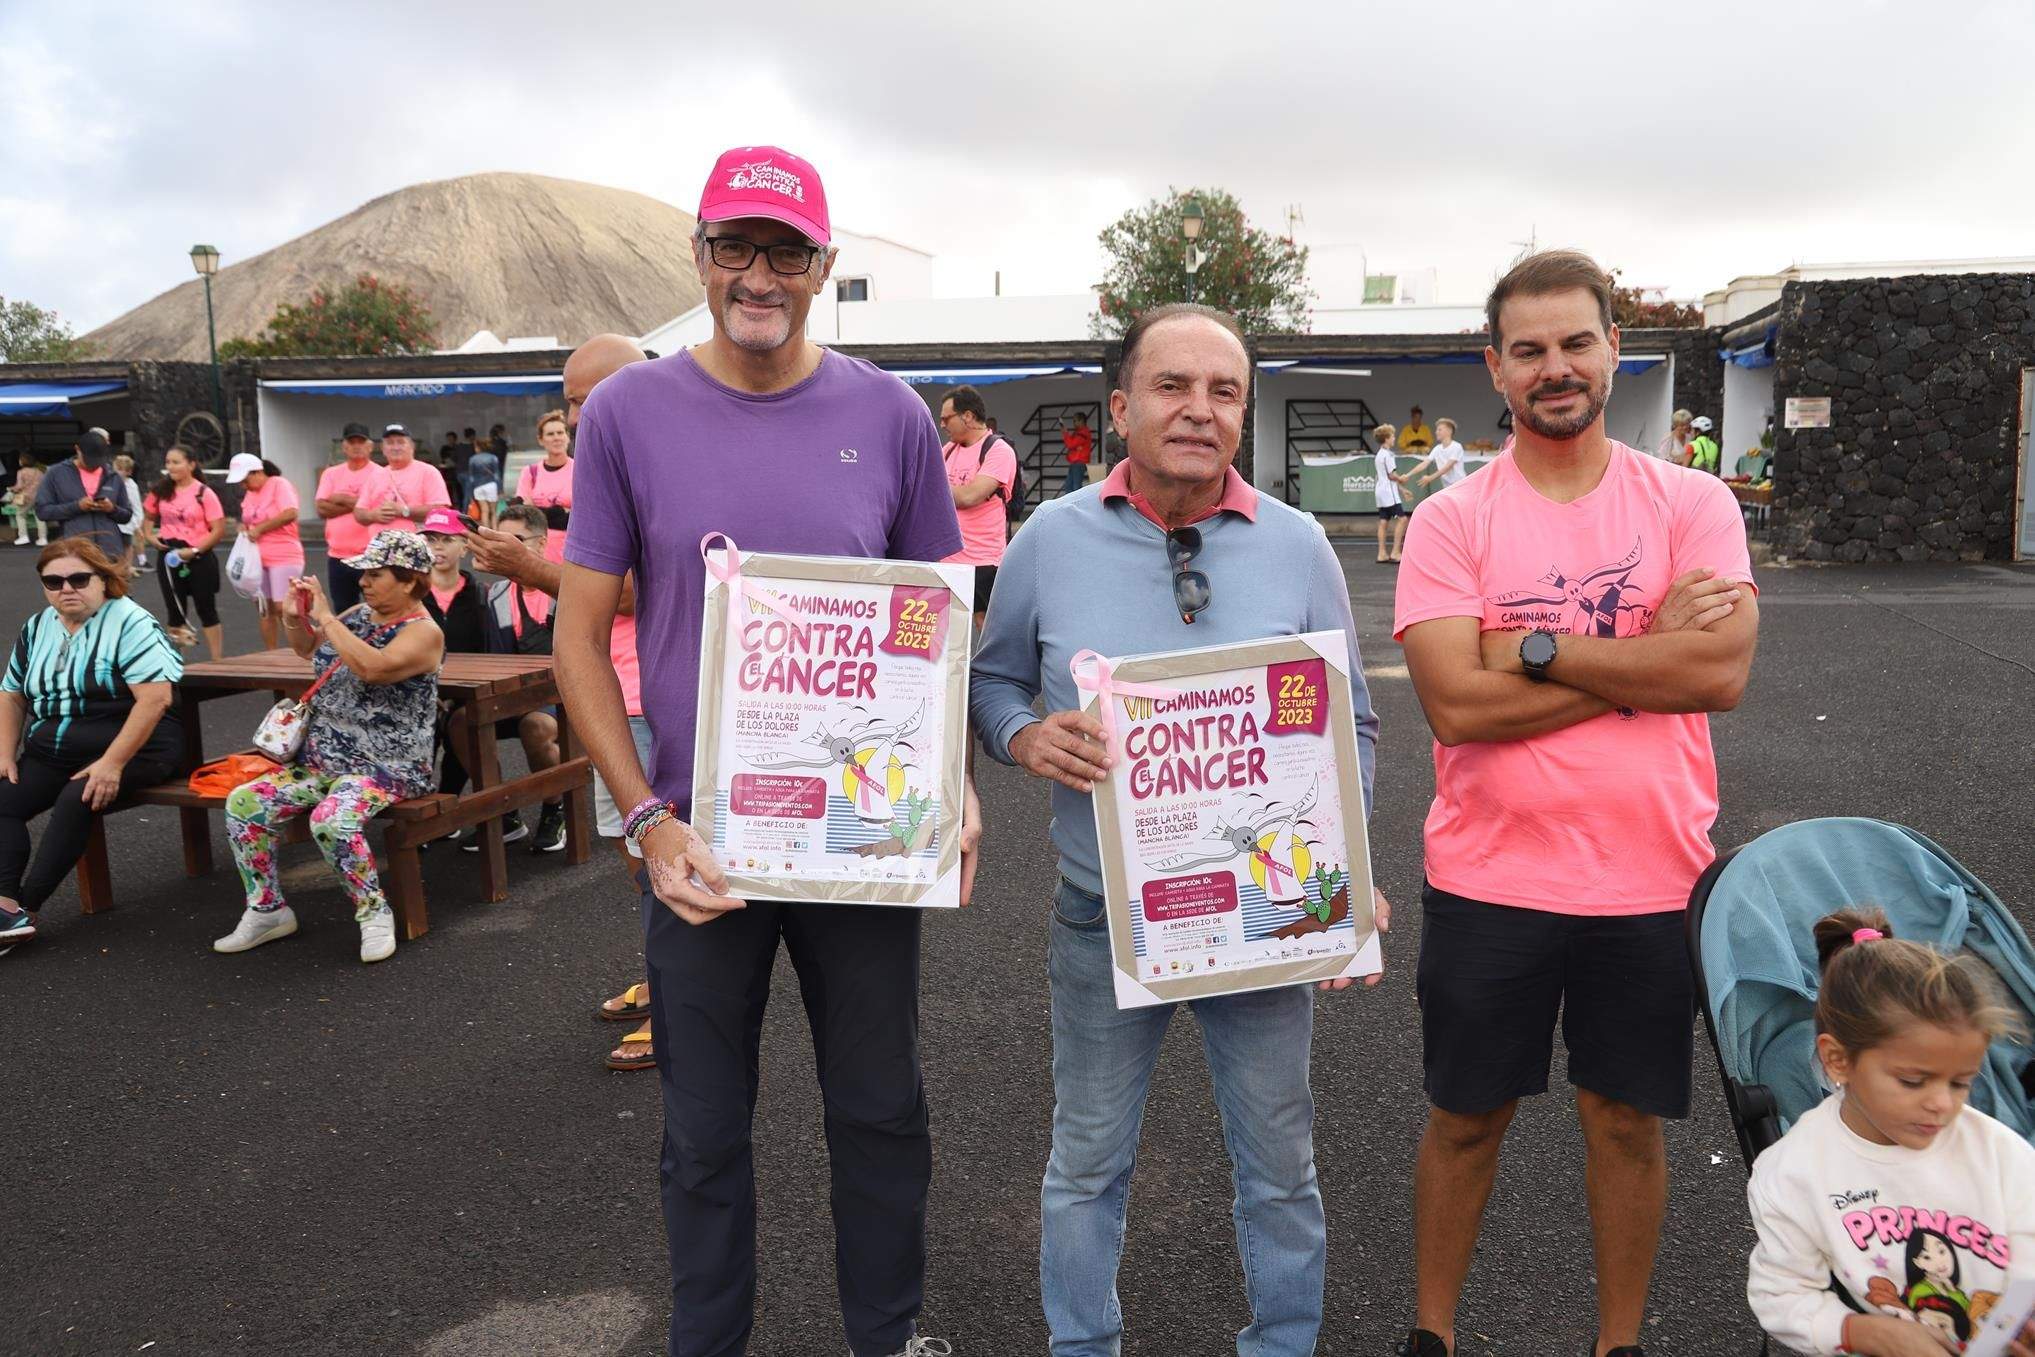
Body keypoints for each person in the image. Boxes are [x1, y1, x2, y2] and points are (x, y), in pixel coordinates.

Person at [553, 144, 970, 1357]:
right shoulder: (628, 410)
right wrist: (644, 817)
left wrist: (950, 787)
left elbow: (937, 620)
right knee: (703, 1131)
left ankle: (885, 1335)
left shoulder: (889, 415)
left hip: (856, 841)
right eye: (734, 245)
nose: (759, 272)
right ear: (698, 256)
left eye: (786, 250)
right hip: (701, 848)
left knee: (882, 1110)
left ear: (822, 266)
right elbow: (579, 641)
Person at [970, 301, 1384, 1357]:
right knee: (1087, 1161)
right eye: (1172, 386)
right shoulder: (1047, 541)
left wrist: (1351, 860)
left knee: (1280, 1166)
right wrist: (1024, 737)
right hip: (1100, 913)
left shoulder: (1297, 546)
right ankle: (1083, 1347)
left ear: (1244, 411)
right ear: (1119, 408)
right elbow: (992, 682)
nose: (1199, 410)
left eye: (1224, 390)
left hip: (1261, 922)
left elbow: (1353, 722)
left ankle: (1282, 1345)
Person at [1392, 249, 1761, 1357]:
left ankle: (1618, 1344)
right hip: (1487, 875)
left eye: (1575, 342)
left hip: (1649, 875)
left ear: (1612, 349)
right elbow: (1455, 705)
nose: (1555, 367)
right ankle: (1431, 1335)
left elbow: (1717, 676)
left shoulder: (1691, 501)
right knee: (1465, 1120)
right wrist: (1636, 655)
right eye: (1529, 349)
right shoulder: (1451, 521)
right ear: (1495, 370)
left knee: (1625, 1120)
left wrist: (1537, 649)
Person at [485, 332, 661, 1072]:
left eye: (588, 400)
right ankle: (666, 978)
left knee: (662, 848)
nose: (580, 417)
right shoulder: (608, 465)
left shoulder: (657, 465)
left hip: (652, 689)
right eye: (570, 404)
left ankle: (682, 1005)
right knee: (637, 847)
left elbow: (624, 592)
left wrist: (530, 564)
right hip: (609, 685)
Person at [1746, 910, 2035, 1357]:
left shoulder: (1998, 1152)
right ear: (1838, 1061)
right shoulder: (1795, 1173)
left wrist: (2015, 1322)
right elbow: (1780, 1294)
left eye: (1960, 1082)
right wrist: (1862, 1332)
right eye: (1913, 1081)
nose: (1943, 1103)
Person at [213, 531, 444, 964]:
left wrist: (327, 616)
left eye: (375, 575)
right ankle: (267, 910)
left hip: (387, 767)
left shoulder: (424, 633)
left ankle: (373, 912)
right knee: (244, 803)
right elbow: (309, 651)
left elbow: (373, 668)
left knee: (332, 819)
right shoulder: (358, 615)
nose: (364, 583)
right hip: (323, 761)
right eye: (364, 574)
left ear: (410, 581)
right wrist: (295, 618)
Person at [0, 541, 181, 946]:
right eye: (53, 581)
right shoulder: (37, 627)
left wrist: (112, 763)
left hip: (135, 747)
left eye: (79, 579)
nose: (67, 588)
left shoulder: (130, 622)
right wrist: (4, 754)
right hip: (52, 750)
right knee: (3, 800)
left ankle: (23, 909)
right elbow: (11, 693)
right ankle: (4, 905)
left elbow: (156, 700)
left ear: (104, 580)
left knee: (77, 797)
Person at [458, 502, 568, 853]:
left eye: (515, 540)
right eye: (499, 540)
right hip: (515, 694)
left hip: (561, 698)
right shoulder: (497, 595)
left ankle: (555, 808)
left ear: (540, 543)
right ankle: (505, 812)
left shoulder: (565, 588)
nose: (504, 548)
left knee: (534, 726)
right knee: (461, 722)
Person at [937, 384, 1017, 624]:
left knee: (986, 627)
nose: (942, 425)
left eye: (946, 418)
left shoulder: (998, 450)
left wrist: (934, 490)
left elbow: (970, 496)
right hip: (948, 559)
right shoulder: (949, 450)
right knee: (948, 629)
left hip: (983, 561)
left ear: (968, 417)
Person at [144, 445, 228, 660]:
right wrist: (151, 537)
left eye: (176, 462)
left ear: (191, 464)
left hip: (198, 556)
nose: (170, 467)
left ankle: (217, 661)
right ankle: (176, 663)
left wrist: (194, 550)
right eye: (168, 462)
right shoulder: (160, 491)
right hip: (169, 557)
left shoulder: (204, 493)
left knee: (206, 608)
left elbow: (218, 530)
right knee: (175, 611)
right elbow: (148, 519)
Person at [228, 453, 305, 650]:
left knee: (283, 607)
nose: (243, 485)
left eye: (245, 480)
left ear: (257, 472)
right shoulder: (250, 493)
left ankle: (302, 649)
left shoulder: (279, 484)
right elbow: (248, 520)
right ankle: (271, 654)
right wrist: (244, 529)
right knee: (264, 608)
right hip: (257, 556)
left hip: (284, 552)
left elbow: (290, 512)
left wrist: (261, 528)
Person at [315, 422, 386, 614]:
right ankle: (347, 644)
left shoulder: (381, 474)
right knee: (344, 611)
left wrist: (341, 499)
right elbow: (321, 508)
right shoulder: (331, 474)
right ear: (344, 446)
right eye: (351, 442)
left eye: (361, 442)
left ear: (370, 446)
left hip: (371, 554)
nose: (356, 446)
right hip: (338, 556)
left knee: (380, 607)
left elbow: (379, 508)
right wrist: (360, 505)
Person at [36, 431, 136, 563]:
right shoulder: (55, 474)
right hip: (73, 551)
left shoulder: (113, 476)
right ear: (77, 449)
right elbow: (43, 511)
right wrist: (77, 506)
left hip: (110, 552)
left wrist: (112, 509)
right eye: (88, 459)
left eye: (98, 460)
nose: (93, 465)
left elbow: (127, 515)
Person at [512, 410, 574, 563]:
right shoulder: (530, 472)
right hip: (535, 553)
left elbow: (582, 517)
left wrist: (538, 510)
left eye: (560, 432)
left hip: (571, 554)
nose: (556, 438)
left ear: (567, 437)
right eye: (550, 434)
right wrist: (560, 511)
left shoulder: (581, 470)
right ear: (541, 440)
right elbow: (524, 515)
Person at [1373, 422, 1409, 564]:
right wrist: (1402, 479)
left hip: (1381, 492)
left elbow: (1387, 477)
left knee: (1383, 521)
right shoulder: (1388, 455)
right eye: (1392, 435)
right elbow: (1391, 475)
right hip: (1388, 493)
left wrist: (1402, 488)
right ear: (1387, 438)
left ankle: (1381, 553)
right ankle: (1395, 552)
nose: (1394, 438)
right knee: (1402, 519)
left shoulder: (1379, 455)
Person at [1412, 418, 1468, 493]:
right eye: (1437, 430)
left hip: (1460, 487)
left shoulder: (1457, 446)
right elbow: (1424, 463)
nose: (1436, 432)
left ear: (1449, 431)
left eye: (1439, 430)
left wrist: (1430, 478)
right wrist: (1407, 475)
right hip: (1447, 488)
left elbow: (1447, 467)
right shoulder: (1437, 449)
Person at [467, 427, 503, 530]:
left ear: (478, 447)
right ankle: (495, 531)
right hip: (491, 485)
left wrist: (470, 493)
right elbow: (496, 475)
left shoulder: (472, 459)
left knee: (484, 511)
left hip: (478, 487)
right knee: (493, 511)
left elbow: (471, 478)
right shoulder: (493, 458)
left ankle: (486, 532)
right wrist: (500, 489)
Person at [8, 453, 46, 547]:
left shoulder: (21, 472)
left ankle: (23, 536)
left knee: (20, 515)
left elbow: (19, 486)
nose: (19, 461)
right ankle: (43, 538)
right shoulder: (39, 471)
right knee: (39, 517)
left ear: (23, 461)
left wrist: (11, 489)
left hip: (26, 498)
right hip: (39, 497)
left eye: (20, 460)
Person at [1058, 410, 1093, 498]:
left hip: (1079, 463)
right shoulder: (1080, 432)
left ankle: (1076, 508)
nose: (1074, 423)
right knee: (1070, 487)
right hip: (1075, 463)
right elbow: (1073, 444)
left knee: (1075, 487)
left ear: (1081, 421)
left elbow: (1070, 444)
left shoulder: (1083, 433)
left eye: (1075, 421)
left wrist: (1065, 433)